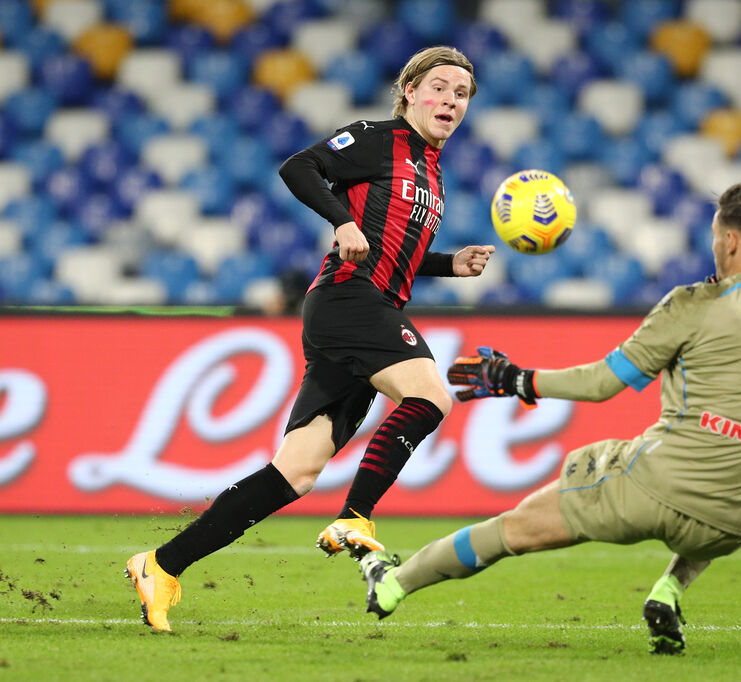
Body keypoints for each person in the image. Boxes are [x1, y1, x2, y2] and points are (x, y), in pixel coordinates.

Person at [126, 45, 495, 632]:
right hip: (349, 299)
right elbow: (299, 166)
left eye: (462, 94)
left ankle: (161, 564)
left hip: (362, 310)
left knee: (296, 472)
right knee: (429, 396)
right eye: (439, 87)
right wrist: (340, 221)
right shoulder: (378, 138)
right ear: (409, 92)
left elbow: (394, 247)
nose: (451, 100)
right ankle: (356, 516)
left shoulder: (432, 171)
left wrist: (451, 265)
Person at [357, 183, 741, 655]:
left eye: (716, 237)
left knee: (513, 529)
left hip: (657, 487)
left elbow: (603, 383)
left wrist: (518, 380)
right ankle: (669, 590)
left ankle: (393, 583)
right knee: (718, 492)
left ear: (731, 242)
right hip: (737, 516)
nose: (714, 247)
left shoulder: (696, 304)